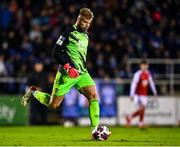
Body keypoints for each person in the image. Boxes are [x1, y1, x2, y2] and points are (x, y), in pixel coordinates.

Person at [21, 8, 109, 138]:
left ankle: (95, 131)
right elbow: (55, 52)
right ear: (78, 19)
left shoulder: (86, 35)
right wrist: (68, 67)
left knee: (94, 96)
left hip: (81, 73)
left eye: (89, 22)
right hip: (66, 74)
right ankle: (34, 92)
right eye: (85, 22)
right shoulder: (68, 32)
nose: (87, 25)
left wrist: (80, 67)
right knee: (53, 104)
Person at [126, 59, 157, 128]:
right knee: (142, 108)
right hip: (138, 94)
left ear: (147, 66)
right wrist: (132, 94)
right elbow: (133, 84)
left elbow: (151, 83)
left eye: (146, 65)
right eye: (143, 65)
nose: (144, 67)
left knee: (142, 109)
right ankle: (140, 123)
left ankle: (130, 117)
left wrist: (155, 92)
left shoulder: (148, 73)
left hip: (144, 94)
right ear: (140, 66)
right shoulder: (137, 74)